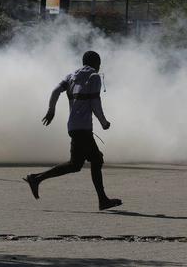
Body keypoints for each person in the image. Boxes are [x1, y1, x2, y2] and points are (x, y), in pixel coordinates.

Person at [23, 51, 122, 210]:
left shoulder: (71, 76)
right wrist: (103, 122)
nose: (99, 67)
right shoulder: (94, 77)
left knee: (75, 164)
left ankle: (36, 178)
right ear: (96, 63)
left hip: (73, 127)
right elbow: (95, 102)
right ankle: (102, 200)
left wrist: (51, 110)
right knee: (96, 160)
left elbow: (56, 91)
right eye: (99, 63)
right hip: (83, 128)